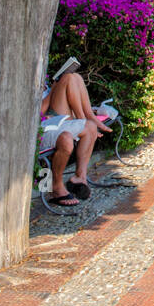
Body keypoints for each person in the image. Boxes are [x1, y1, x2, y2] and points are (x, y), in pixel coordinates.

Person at [39, 70, 112, 208]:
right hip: (44, 124)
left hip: (55, 118)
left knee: (75, 77)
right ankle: (83, 118)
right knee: (67, 78)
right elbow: (39, 111)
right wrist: (53, 89)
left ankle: (80, 177)